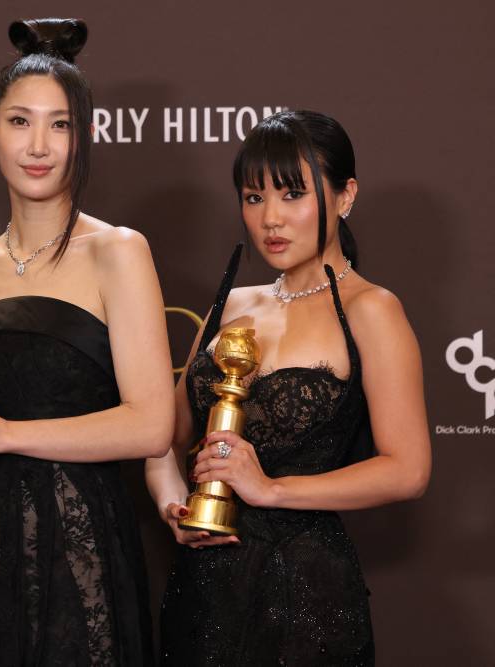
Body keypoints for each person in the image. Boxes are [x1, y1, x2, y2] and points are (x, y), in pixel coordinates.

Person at [0, 19, 175, 667]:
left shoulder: (118, 252)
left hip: (79, 552)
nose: (38, 145)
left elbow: (150, 426)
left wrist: (4, 433)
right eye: (19, 122)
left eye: (60, 125)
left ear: (84, 136)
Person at [145, 110, 432, 666]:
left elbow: (408, 470)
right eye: (254, 198)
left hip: (304, 592)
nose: (270, 218)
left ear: (345, 196)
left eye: (293, 194)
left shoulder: (372, 310)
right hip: (202, 591)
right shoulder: (230, 305)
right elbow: (163, 437)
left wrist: (271, 489)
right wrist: (171, 502)